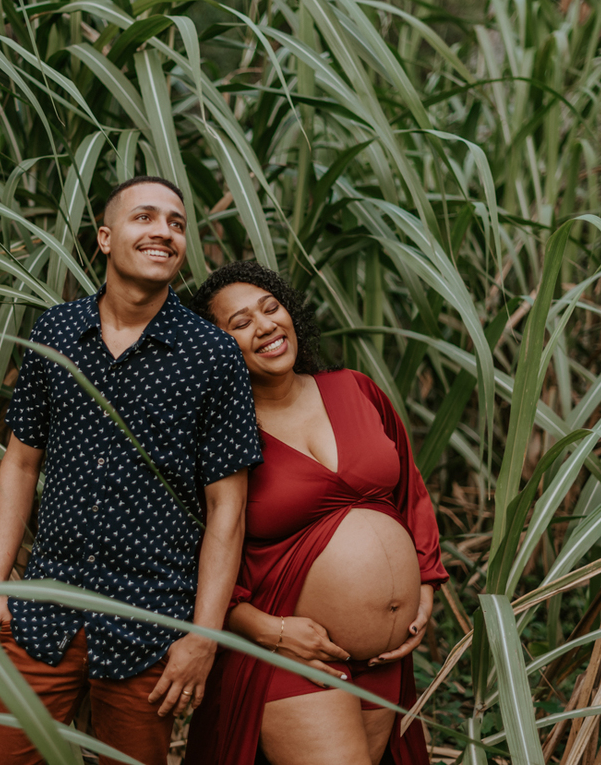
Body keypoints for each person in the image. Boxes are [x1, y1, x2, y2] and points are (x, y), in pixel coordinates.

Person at [0, 177, 263, 765]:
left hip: (149, 623)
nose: (163, 232)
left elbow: (226, 510)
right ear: (105, 238)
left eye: (176, 224)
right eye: (145, 218)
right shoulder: (56, 332)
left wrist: (202, 638)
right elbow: (21, 463)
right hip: (41, 612)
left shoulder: (212, 354)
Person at [184, 261, 448, 765]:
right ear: (214, 346)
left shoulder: (355, 388)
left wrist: (425, 587)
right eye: (239, 323)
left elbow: (411, 493)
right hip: (290, 653)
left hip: (383, 659)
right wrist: (272, 632)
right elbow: (198, 553)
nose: (264, 325)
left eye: (270, 308)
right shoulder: (220, 434)